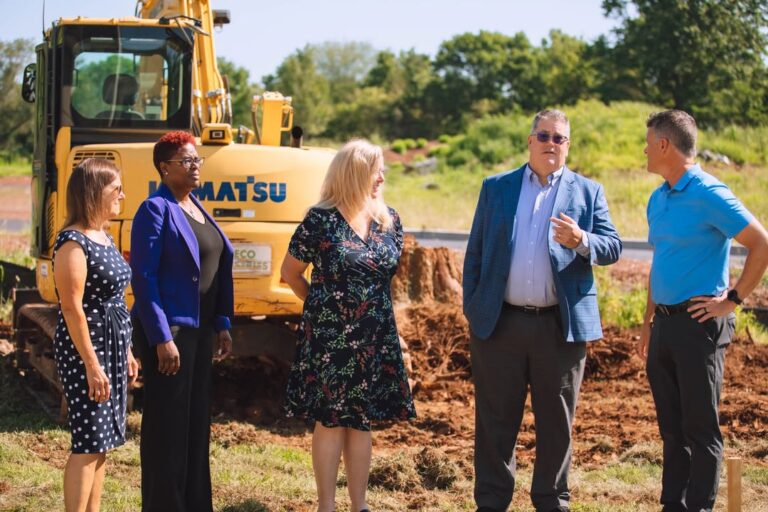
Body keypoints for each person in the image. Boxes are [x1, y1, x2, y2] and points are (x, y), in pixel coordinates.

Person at [463, 109, 622, 512]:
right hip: (500, 324)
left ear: (568, 145)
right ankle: (491, 502)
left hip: (559, 327)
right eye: (545, 136)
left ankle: (552, 501)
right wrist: (474, 307)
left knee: (556, 424)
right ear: (530, 141)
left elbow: (612, 247)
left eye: (560, 138)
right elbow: (476, 252)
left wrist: (581, 239)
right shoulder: (496, 187)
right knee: (495, 423)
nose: (552, 144)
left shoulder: (588, 191)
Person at [638, 110, 768, 512]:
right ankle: (672, 505)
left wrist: (732, 300)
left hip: (700, 326)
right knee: (671, 430)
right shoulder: (658, 198)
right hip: (664, 325)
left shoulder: (709, 193)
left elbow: (761, 243)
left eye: (648, 143)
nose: (644, 150)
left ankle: (698, 506)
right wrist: (647, 323)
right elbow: (661, 263)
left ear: (664, 145)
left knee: (699, 428)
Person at [281, 139, 416, 512]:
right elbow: (290, 273)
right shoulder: (320, 220)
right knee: (330, 421)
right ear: (354, 174)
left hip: (375, 336)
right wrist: (322, 309)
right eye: (376, 171)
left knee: (360, 422)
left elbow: (384, 279)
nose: (382, 178)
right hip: (331, 340)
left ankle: (359, 506)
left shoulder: (390, 220)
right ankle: (326, 506)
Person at [130, 131, 234, 512]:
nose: (195, 166)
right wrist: (161, 337)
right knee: (167, 430)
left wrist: (222, 322)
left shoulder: (196, 207)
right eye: (186, 161)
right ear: (164, 167)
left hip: (201, 332)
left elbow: (216, 265)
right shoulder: (154, 209)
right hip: (171, 333)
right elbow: (144, 278)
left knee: (195, 427)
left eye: (197, 160)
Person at [52, 157, 139, 512]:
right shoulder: (72, 242)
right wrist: (91, 364)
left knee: (102, 441)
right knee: (88, 441)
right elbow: (72, 308)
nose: (122, 195)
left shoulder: (103, 236)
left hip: (112, 346)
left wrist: (127, 351)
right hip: (87, 350)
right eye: (115, 188)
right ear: (93, 192)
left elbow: (116, 297)